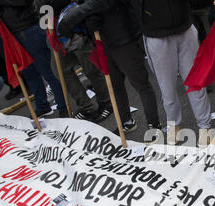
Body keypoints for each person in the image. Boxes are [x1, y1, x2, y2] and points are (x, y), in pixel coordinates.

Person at [57, 0, 163, 143]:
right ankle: (126, 121)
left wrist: (75, 16)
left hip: (125, 40)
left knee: (141, 84)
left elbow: (100, 4)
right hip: (105, 42)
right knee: (115, 85)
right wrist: (86, 22)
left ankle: (154, 126)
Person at [135, 0, 213, 147]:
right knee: (167, 87)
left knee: (195, 82)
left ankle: (204, 126)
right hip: (156, 34)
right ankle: (174, 124)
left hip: (184, 27)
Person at [0, 0, 68, 118]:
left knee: (48, 71)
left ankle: (63, 106)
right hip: (13, 34)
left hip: (28, 28)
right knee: (29, 73)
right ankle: (42, 105)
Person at [40, 0, 112, 123]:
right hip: (55, 26)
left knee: (90, 66)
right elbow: (41, 10)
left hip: (76, 22)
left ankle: (106, 102)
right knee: (60, 70)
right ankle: (87, 107)